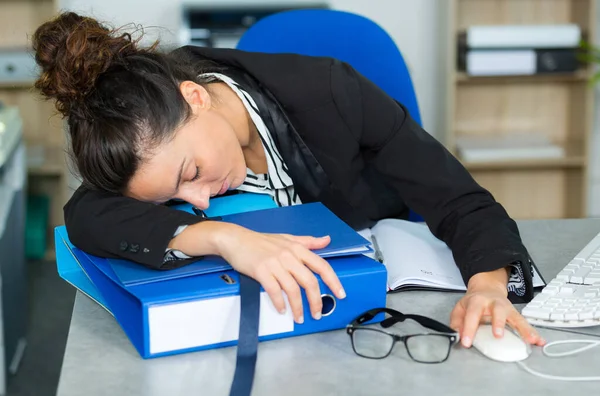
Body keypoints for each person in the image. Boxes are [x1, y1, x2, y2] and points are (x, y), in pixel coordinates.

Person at [32, 12, 545, 349]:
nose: (199, 199)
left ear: (196, 97)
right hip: (267, 322)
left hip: (364, 316)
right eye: (174, 198)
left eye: (190, 174)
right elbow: (85, 215)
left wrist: (488, 286)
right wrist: (221, 237)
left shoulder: (332, 93)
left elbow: (456, 195)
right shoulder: (148, 138)